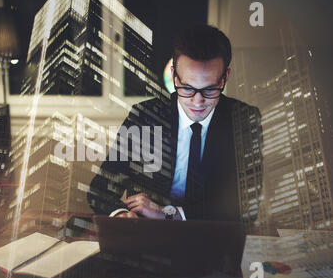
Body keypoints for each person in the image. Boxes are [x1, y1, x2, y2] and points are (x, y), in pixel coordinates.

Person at [87, 24, 262, 222]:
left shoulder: (244, 119)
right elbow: (100, 189)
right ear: (173, 76)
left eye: (210, 89)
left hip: (213, 240)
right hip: (147, 236)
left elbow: (247, 205)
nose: (197, 102)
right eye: (187, 88)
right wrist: (121, 215)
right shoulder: (145, 116)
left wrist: (168, 213)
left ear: (225, 78)